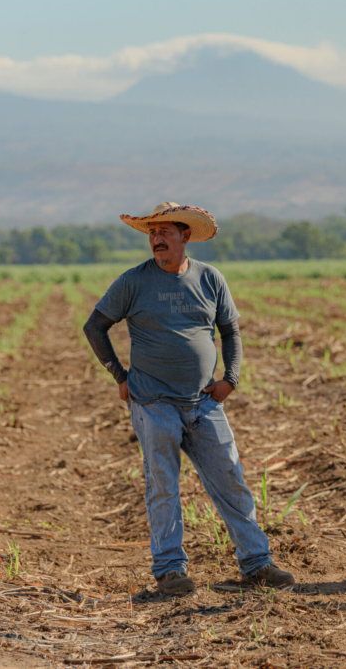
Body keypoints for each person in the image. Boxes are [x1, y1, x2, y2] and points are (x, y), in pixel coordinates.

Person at [82, 202, 295, 595]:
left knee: (231, 481)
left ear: (185, 236)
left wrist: (230, 378)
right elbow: (94, 326)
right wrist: (119, 375)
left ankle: (257, 564)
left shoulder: (210, 278)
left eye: (164, 232)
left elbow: (230, 331)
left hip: (203, 403)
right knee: (163, 485)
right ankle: (170, 571)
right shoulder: (133, 282)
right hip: (153, 403)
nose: (156, 239)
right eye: (152, 233)